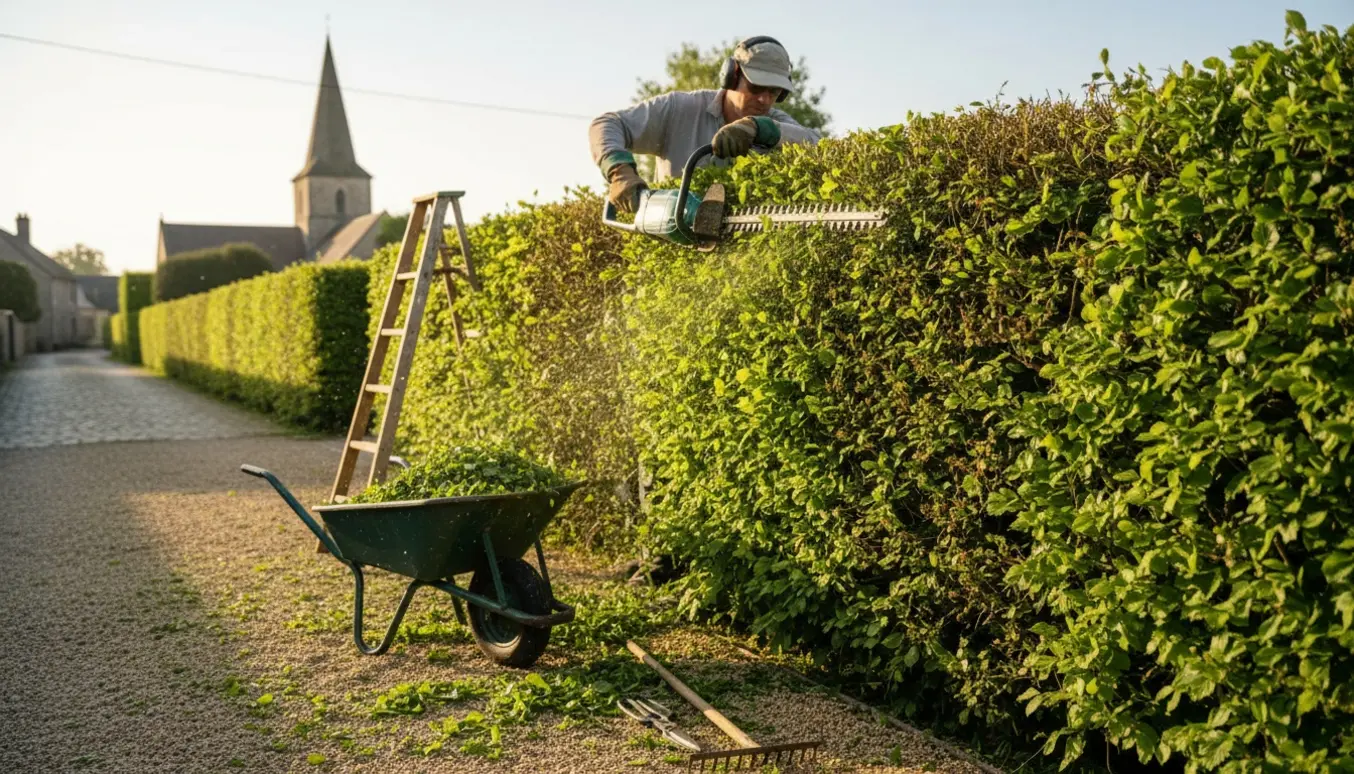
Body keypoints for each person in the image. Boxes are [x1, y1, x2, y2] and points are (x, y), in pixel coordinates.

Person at [589, 36, 823, 213]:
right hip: (674, 239)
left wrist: (759, 129)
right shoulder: (680, 109)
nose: (764, 99)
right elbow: (607, 124)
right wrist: (619, 171)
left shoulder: (777, 125)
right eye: (756, 87)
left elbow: (819, 145)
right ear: (732, 75)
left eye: (774, 91)